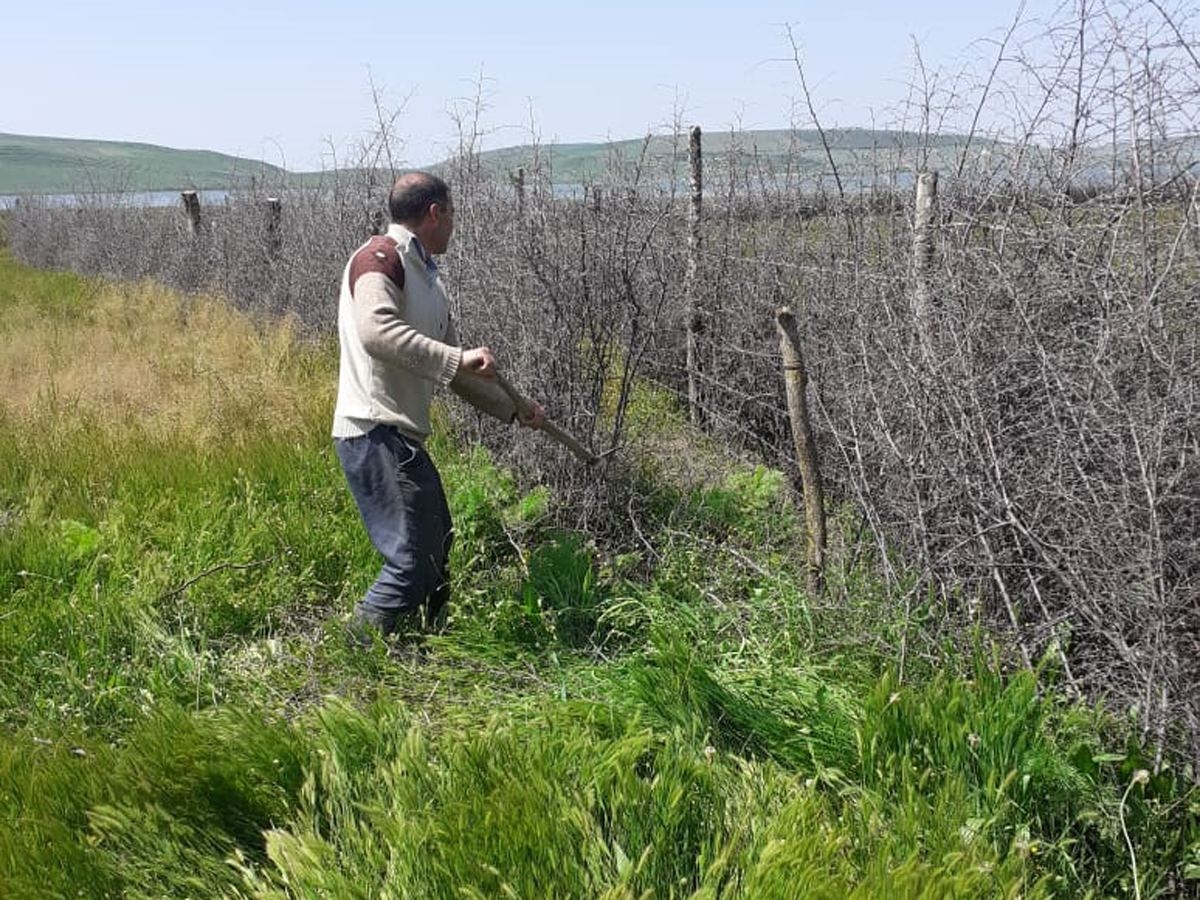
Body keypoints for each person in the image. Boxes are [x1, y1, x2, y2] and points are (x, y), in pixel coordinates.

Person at [332, 171, 544, 638]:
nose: (453, 225)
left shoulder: (429, 281)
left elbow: (457, 373)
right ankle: (352, 648)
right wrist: (457, 356)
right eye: (451, 214)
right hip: (372, 431)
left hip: (400, 435)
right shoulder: (379, 259)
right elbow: (376, 332)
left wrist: (514, 407)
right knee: (411, 564)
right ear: (434, 213)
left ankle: (426, 647)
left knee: (437, 548)